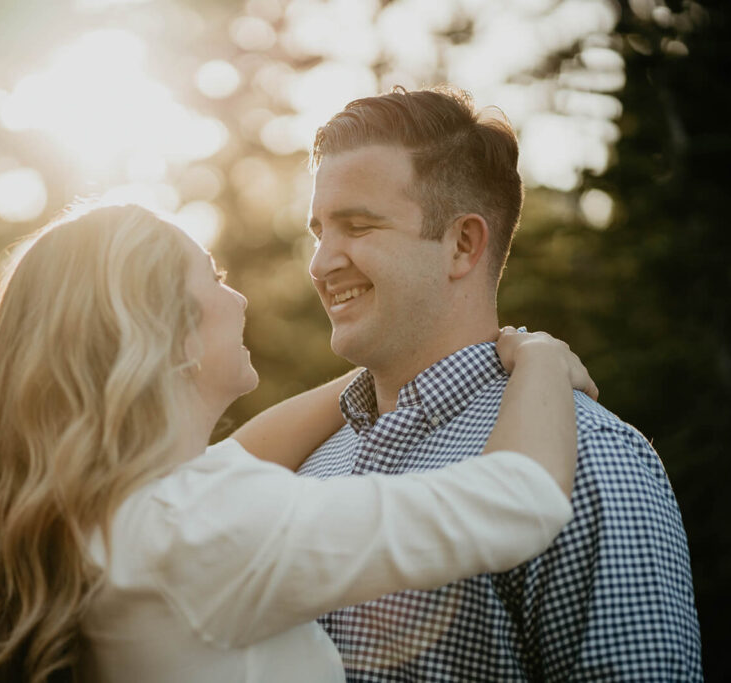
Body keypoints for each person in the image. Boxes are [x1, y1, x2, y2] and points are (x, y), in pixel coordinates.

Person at [0, 202, 597, 683]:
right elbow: (522, 502)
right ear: (170, 336)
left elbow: (240, 453)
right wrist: (537, 355)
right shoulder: (206, 525)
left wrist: (392, 365)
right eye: (214, 279)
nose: (239, 299)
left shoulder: (113, 512)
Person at [298, 84, 702, 681]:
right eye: (318, 231)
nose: (321, 262)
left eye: (357, 227)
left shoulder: (593, 460)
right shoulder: (310, 463)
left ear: (462, 244)